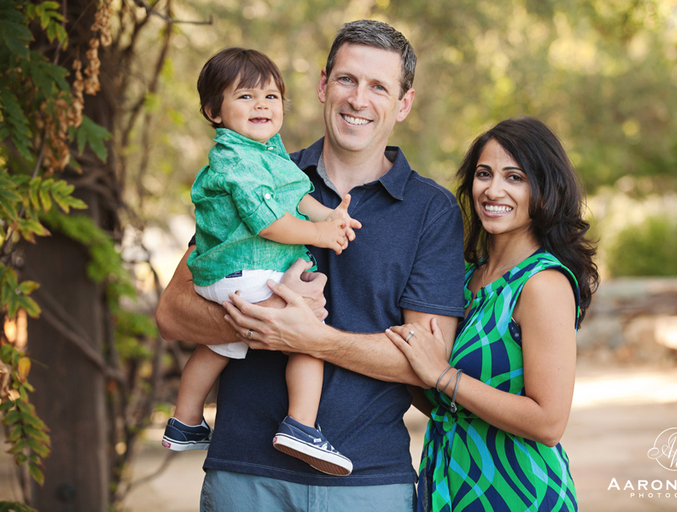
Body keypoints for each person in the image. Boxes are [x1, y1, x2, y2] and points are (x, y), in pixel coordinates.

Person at [155, 20, 466, 511]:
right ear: (323, 85)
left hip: (368, 481)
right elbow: (173, 313)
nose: (358, 99)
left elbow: (428, 358)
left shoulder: (431, 209)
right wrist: (267, 324)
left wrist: (309, 338)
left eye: (378, 86)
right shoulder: (253, 172)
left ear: (403, 104)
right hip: (244, 475)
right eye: (346, 80)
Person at [161, 47, 362, 477]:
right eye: (246, 97)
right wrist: (318, 234)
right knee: (308, 333)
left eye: (271, 97)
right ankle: (301, 426)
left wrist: (328, 214)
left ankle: (185, 420)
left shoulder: (267, 153)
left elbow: (295, 195)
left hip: (226, 275)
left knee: (216, 346)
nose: (262, 105)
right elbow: (269, 221)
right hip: (248, 268)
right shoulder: (236, 160)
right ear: (214, 111)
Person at [385, 117, 599, 511]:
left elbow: (549, 422)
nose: (493, 189)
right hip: (448, 484)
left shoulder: (542, 284)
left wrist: (444, 375)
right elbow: (445, 407)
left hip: (514, 491)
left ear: (546, 192)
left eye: (514, 177)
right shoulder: (464, 277)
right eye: (484, 174)